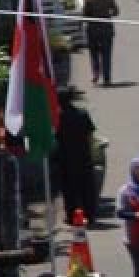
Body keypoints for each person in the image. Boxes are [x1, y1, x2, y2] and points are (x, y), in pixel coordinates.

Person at [55, 88, 97, 225]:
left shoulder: (57, 117)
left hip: (65, 158)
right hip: (83, 155)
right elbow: (90, 135)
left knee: (69, 188)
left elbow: (54, 138)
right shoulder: (82, 113)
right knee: (86, 187)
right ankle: (90, 215)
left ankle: (72, 215)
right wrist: (91, 152)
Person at [82, 0, 119, 85]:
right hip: (106, 29)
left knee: (94, 54)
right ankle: (107, 78)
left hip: (93, 30)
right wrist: (108, 14)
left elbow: (85, 15)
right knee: (106, 54)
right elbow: (116, 11)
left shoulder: (88, 0)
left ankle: (96, 73)